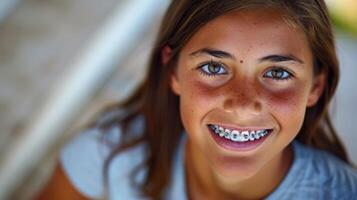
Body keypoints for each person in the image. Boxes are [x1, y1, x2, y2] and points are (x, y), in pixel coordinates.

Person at [37, 0, 357, 199]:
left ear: (316, 87)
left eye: (277, 73)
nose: (243, 104)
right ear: (173, 71)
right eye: (213, 67)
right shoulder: (109, 153)